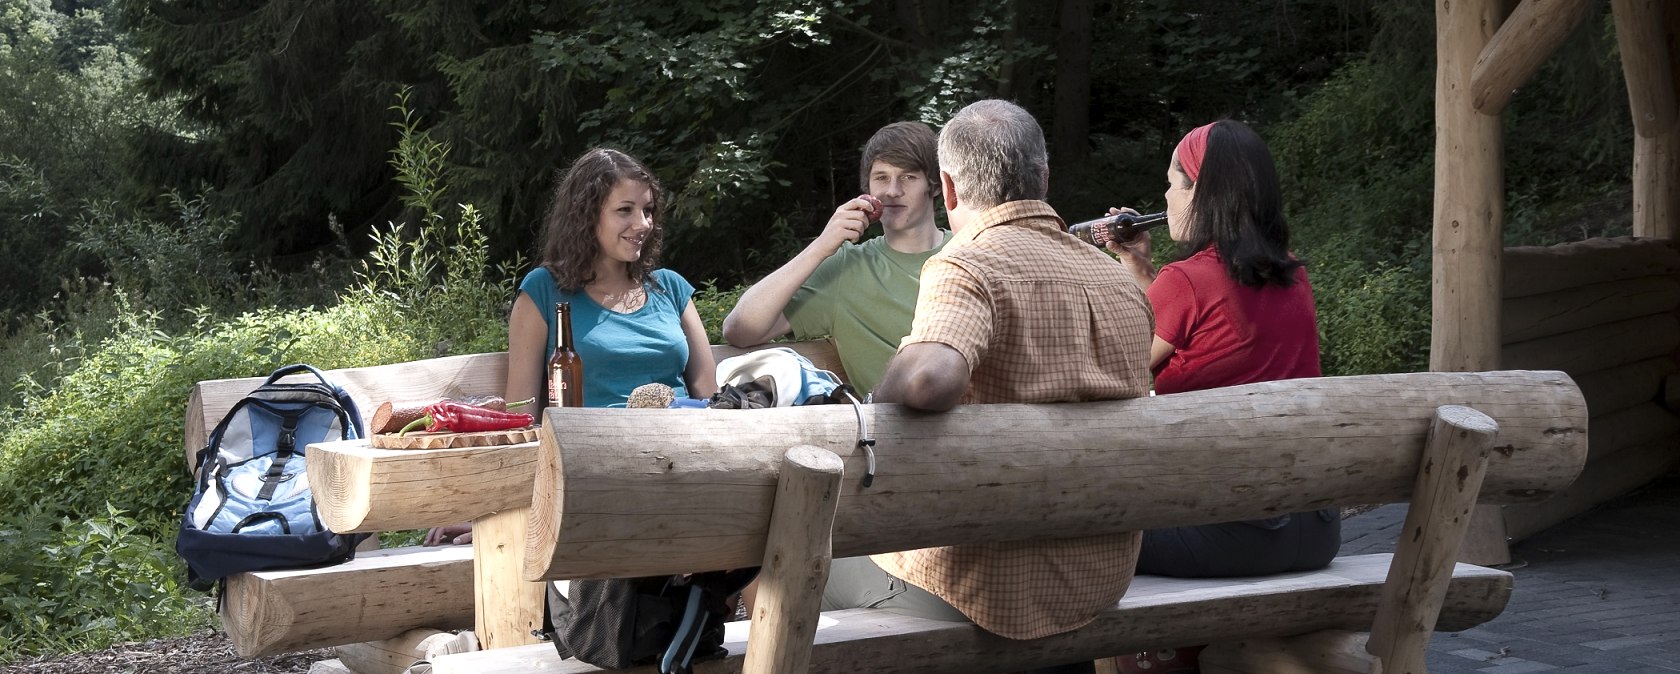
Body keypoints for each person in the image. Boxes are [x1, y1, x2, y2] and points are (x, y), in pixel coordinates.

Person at [820, 100, 1155, 650]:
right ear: (1043, 178)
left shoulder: (969, 263)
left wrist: (878, 396)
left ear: (946, 189)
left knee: (793, 553)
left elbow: (931, 377)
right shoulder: (1115, 277)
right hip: (1099, 575)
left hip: (986, 585)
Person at [425, 148, 717, 546]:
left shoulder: (669, 287)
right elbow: (521, 418)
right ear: (587, 214)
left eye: (648, 210)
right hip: (594, 471)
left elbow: (710, 395)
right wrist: (498, 510)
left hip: (684, 458)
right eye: (625, 211)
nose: (642, 223)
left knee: (753, 525)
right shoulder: (545, 292)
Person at [1108, 119, 1339, 578]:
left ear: (1201, 192)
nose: (1168, 199)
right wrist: (1140, 271)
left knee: (1079, 531)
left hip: (1230, 536)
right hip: (1316, 530)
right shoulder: (1293, 273)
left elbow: (1111, 370)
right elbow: (1202, 328)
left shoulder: (1185, 280)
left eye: (1173, 184)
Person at [721, 122, 950, 395]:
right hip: (896, 431)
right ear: (867, 188)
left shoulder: (966, 252)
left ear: (935, 186)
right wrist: (821, 246)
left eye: (908, 177)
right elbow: (739, 329)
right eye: (881, 177)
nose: (892, 190)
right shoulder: (847, 268)